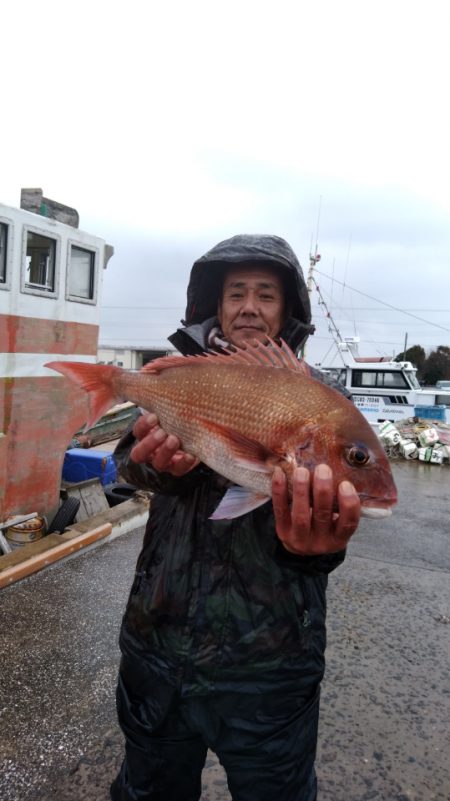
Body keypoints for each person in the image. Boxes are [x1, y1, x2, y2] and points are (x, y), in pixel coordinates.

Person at [110, 234, 361, 801]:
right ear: (216, 306)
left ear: (287, 310)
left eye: (266, 294)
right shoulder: (179, 378)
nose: (249, 306)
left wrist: (317, 548)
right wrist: (158, 469)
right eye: (236, 293)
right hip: (158, 647)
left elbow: (335, 520)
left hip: (271, 665)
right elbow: (125, 463)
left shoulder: (319, 398)